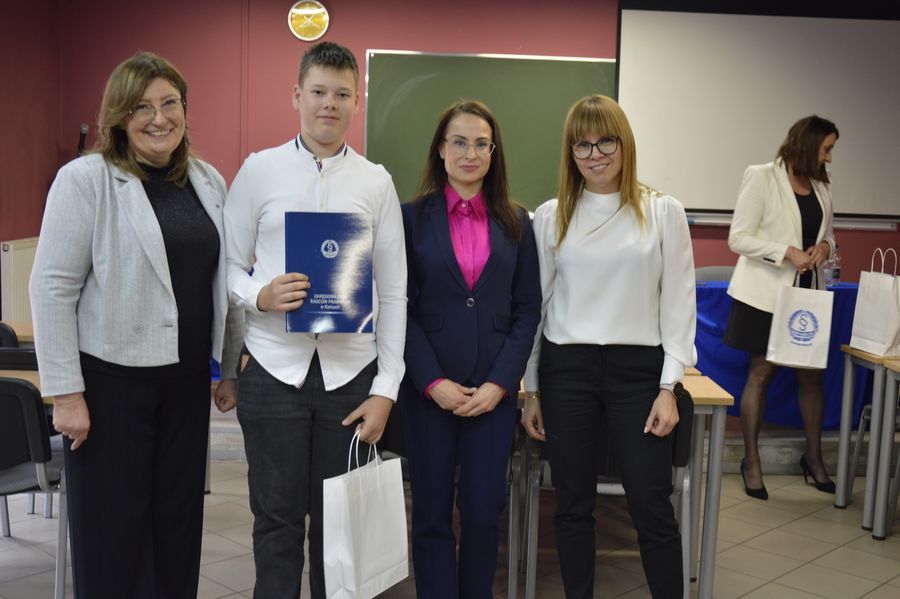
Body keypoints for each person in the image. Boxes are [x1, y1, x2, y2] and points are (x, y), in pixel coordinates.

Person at [28, 51, 243, 598]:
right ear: (119, 116)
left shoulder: (207, 180)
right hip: (110, 387)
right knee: (112, 535)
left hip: (185, 383)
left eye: (170, 103)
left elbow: (226, 280)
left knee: (177, 526)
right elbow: (51, 288)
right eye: (142, 107)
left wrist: (228, 366)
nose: (159, 118)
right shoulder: (86, 180)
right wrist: (65, 395)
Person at [223, 41, 407, 598]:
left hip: (351, 379)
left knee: (341, 530)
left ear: (357, 102)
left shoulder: (375, 181)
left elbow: (394, 292)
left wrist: (386, 388)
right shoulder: (259, 170)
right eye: (319, 92)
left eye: (342, 94)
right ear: (297, 95)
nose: (330, 103)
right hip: (273, 371)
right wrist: (259, 294)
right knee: (276, 523)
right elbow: (227, 267)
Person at [521, 94, 696, 599]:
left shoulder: (663, 211)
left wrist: (669, 386)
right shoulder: (551, 216)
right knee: (572, 505)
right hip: (567, 370)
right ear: (570, 152)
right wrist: (532, 389)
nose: (594, 154)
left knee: (650, 504)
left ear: (625, 144)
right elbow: (538, 308)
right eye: (582, 145)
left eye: (605, 142)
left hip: (638, 374)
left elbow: (679, 304)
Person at [400, 100, 541, 598]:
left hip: (491, 393)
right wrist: (431, 381)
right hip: (429, 390)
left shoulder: (517, 221)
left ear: (493, 153)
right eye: (459, 142)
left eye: (481, 144)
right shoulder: (411, 218)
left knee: (483, 513)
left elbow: (528, 310)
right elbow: (399, 308)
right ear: (441, 150)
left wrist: (501, 384)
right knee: (431, 514)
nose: (470, 153)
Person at [724, 115, 839, 499]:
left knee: (811, 377)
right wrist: (786, 252)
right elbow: (738, 238)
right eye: (826, 149)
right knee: (761, 372)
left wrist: (824, 248)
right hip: (765, 295)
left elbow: (829, 235)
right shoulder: (761, 176)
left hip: (807, 295)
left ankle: (814, 458)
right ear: (807, 145)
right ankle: (751, 461)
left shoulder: (822, 184)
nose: (829, 158)